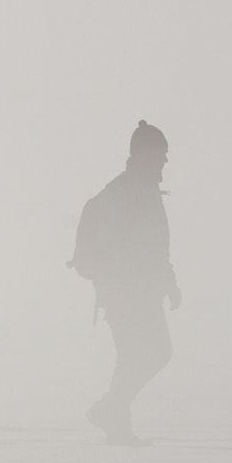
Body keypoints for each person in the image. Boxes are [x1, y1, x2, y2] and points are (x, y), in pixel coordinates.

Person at [69, 119, 182, 443]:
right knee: (153, 351)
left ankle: (116, 421)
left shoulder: (142, 189)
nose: (165, 161)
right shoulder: (124, 192)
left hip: (137, 291)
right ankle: (113, 413)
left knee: (140, 354)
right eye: (161, 153)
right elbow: (120, 247)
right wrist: (125, 286)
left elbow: (155, 245)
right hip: (126, 293)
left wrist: (168, 282)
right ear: (146, 154)